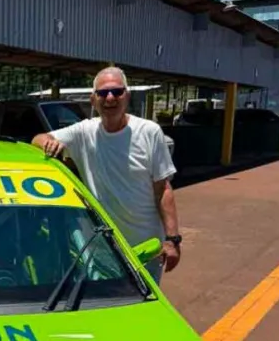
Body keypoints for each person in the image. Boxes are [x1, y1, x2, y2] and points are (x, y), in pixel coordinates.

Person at [32, 67, 181, 282]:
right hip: (103, 251)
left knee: (141, 312)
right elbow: (38, 138)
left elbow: (163, 189)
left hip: (146, 249)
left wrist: (172, 240)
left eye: (117, 92)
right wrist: (48, 143)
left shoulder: (149, 131)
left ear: (127, 96)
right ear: (93, 100)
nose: (110, 98)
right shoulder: (84, 132)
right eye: (102, 93)